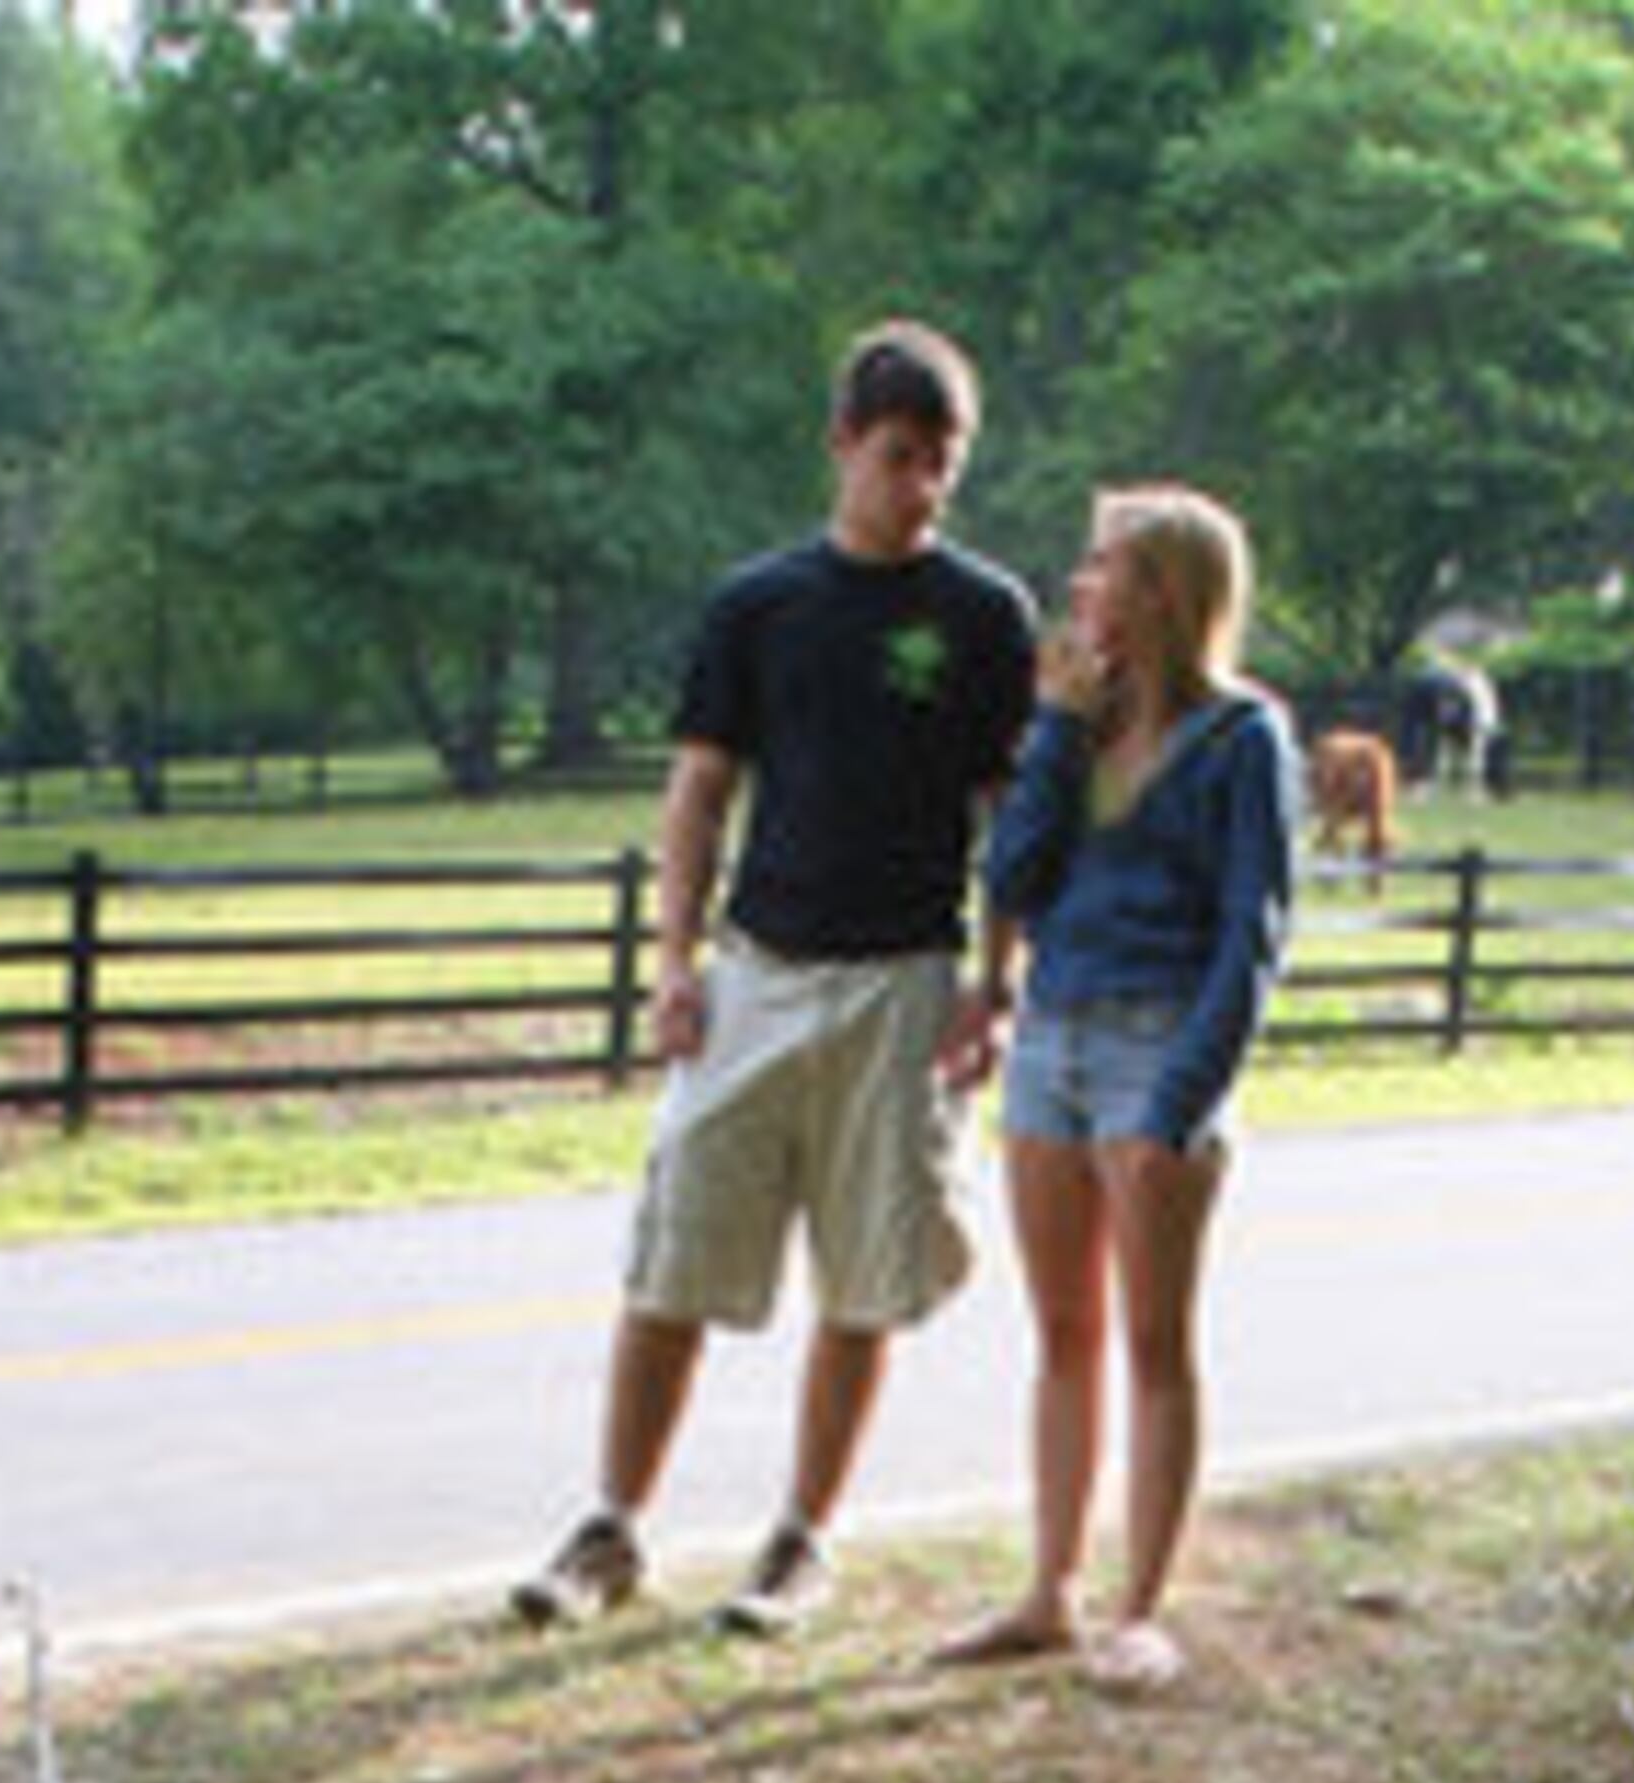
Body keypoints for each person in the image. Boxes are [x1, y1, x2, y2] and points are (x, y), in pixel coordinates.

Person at [509, 321, 1036, 1645]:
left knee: (865, 1279)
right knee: (674, 1256)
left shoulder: (984, 617)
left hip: (905, 986)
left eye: (944, 465)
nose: (919, 488)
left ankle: (802, 1539)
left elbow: (1007, 817)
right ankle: (612, 1526)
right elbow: (700, 792)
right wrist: (674, 964)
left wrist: (997, 979)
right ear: (843, 444)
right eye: (899, 456)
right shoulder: (760, 605)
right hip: (758, 971)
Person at [940, 484, 1300, 1693]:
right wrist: (1053, 728)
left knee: (1155, 1340)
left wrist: (1180, 1103)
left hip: (1159, 1048)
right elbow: (1014, 874)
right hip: (1054, 1041)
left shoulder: (1244, 740)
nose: (1080, 586)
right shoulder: (1077, 727)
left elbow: (1252, 940)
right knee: (1062, 1332)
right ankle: (1047, 1591)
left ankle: (1141, 1607)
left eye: (1104, 568)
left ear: (1165, 591)